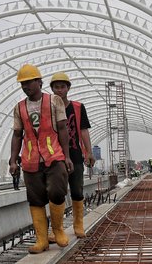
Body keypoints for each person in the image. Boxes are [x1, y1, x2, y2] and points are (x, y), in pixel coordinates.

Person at [9, 64, 73, 254]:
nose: (25, 86)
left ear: (39, 81)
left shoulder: (54, 101)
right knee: (35, 200)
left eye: (29, 82)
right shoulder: (19, 107)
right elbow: (17, 135)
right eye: (22, 83)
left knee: (57, 191)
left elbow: (62, 129)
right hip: (30, 160)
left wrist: (67, 156)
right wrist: (13, 160)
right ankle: (42, 240)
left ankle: (58, 230)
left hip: (54, 156)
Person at [50, 72, 95, 239]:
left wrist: (88, 152)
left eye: (62, 87)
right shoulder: (49, 108)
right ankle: (57, 230)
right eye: (56, 87)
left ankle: (78, 225)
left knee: (77, 191)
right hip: (56, 157)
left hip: (75, 155)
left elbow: (83, 130)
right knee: (57, 193)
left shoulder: (77, 107)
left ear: (68, 88)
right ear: (52, 89)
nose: (59, 90)